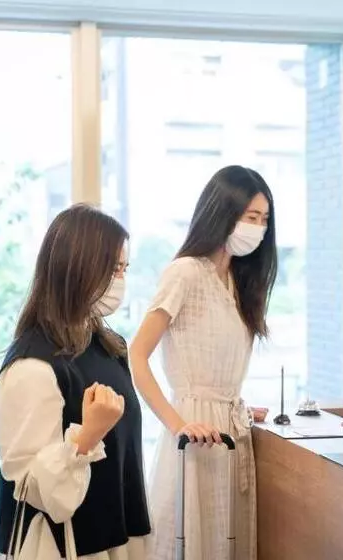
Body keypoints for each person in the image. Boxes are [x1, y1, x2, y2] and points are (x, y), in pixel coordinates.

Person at [129, 165, 277, 560]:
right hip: (193, 434)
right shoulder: (185, 273)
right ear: (223, 213)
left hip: (229, 429)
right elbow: (137, 355)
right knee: (188, 543)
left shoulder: (239, 284)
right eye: (251, 217)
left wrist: (236, 404)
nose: (258, 228)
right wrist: (178, 424)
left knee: (224, 544)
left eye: (264, 220)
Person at [0, 204, 151, 559]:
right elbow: (31, 487)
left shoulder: (110, 347)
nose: (121, 281)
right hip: (65, 545)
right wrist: (86, 436)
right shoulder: (32, 366)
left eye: (124, 269)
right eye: (113, 269)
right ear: (78, 268)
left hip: (118, 535)